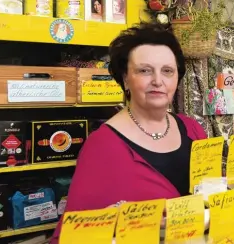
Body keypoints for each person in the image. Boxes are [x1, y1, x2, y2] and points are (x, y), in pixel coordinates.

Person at [50, 22, 207, 243]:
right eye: (144, 70)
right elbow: (70, 236)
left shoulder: (192, 129)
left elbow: (212, 195)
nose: (158, 81)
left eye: (167, 71)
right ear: (125, 79)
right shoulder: (102, 146)